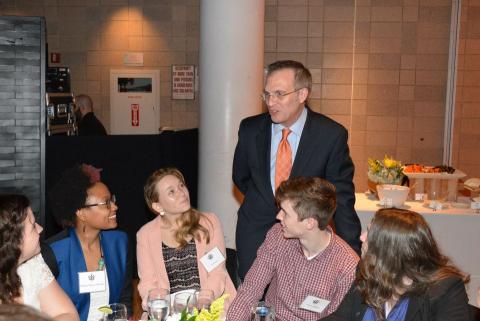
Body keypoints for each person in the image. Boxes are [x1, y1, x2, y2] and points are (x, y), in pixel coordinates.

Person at [232, 59, 361, 280]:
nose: (271, 102)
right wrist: (265, 202)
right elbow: (241, 177)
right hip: (254, 232)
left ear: (302, 95)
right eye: (267, 94)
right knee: (252, 301)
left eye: (279, 94)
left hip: (304, 237)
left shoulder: (330, 136)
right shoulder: (250, 129)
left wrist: (354, 258)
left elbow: (341, 199)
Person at [226, 177, 359, 321]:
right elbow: (250, 291)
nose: (278, 216)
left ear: (310, 222)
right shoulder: (278, 236)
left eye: (285, 213)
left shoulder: (347, 267)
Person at [322, 208, 470, 321]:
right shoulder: (369, 272)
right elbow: (340, 318)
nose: (361, 237)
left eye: (369, 233)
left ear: (390, 249)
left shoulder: (445, 290)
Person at [137, 167, 236, 309]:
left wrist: (203, 302)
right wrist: (158, 305)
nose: (182, 193)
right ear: (158, 206)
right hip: (169, 312)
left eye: (181, 186)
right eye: (172, 192)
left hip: (210, 307)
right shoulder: (145, 235)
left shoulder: (209, 222)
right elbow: (147, 283)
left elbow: (217, 272)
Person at [46, 164, 132, 321]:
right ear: (81, 212)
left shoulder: (119, 243)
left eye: (112, 200)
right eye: (106, 203)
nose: (115, 207)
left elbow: (124, 299)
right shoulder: (54, 252)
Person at [0, 194, 79, 321]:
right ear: (13, 240)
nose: (40, 229)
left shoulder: (33, 263)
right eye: (33, 226)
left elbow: (68, 315)